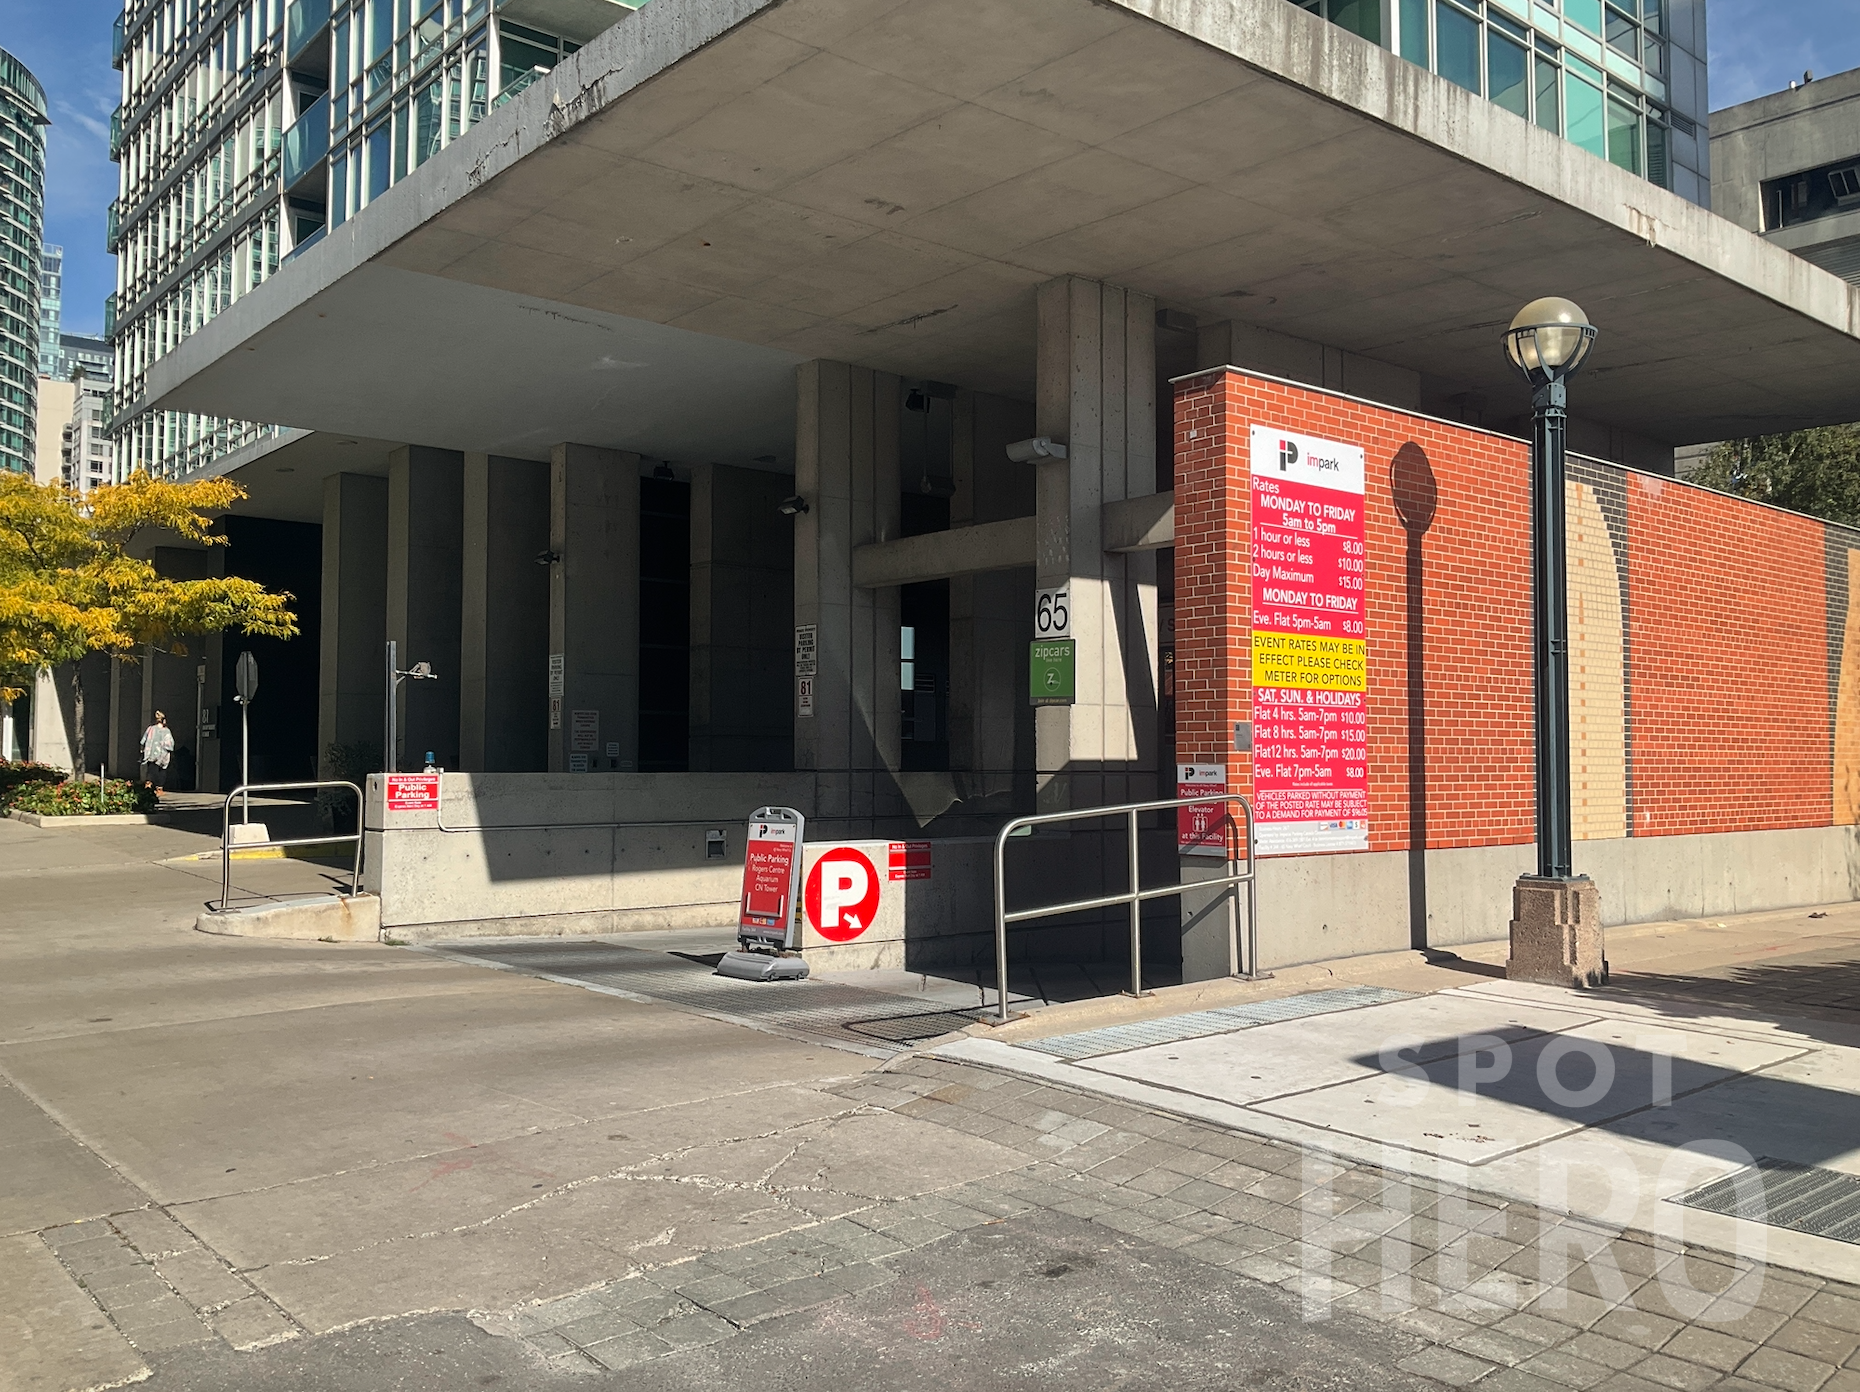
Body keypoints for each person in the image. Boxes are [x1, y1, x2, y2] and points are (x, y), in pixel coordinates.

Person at [140, 712, 175, 796]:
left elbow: (143, 740)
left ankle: (148, 785)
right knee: (162, 771)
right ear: (164, 721)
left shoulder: (150, 729)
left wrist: (142, 750)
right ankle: (159, 788)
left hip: (151, 754)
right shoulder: (167, 731)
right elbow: (171, 744)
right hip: (163, 755)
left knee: (151, 770)